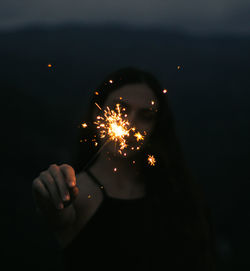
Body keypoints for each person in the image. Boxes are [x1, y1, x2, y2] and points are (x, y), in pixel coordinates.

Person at [32, 66, 217, 270]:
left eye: (145, 115)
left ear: (156, 128)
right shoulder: (78, 194)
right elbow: (60, 216)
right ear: (97, 113)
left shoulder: (175, 192)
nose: (130, 123)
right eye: (121, 109)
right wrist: (52, 195)